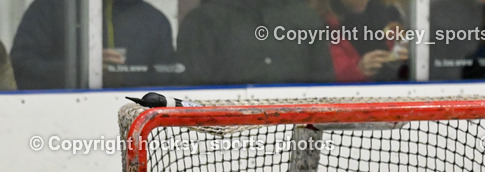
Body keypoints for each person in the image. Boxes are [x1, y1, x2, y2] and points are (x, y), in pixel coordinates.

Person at [10, 0, 176, 90]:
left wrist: (124, 77)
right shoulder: (49, 8)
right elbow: (22, 68)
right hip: (60, 116)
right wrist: (81, 70)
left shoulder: (154, 20)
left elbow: (167, 78)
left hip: (135, 121)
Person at [176, 0, 334, 86]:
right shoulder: (203, 20)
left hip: (297, 126)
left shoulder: (304, 16)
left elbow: (324, 80)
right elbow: (192, 87)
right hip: (222, 133)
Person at [311, 0, 409, 82]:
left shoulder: (381, 13)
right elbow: (324, 73)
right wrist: (359, 69)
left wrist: (401, 52)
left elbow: (395, 49)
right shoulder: (322, 25)